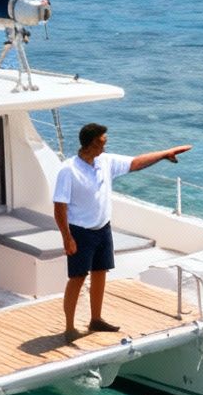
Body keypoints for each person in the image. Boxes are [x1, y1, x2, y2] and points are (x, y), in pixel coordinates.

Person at [53, 122, 192, 340]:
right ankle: (69, 327)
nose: (105, 146)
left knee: (101, 272)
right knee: (78, 278)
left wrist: (164, 154)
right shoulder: (68, 170)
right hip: (80, 232)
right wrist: (67, 238)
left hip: (102, 228)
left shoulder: (105, 161)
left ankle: (95, 319)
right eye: (102, 142)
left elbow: (135, 163)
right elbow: (59, 207)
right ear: (90, 143)